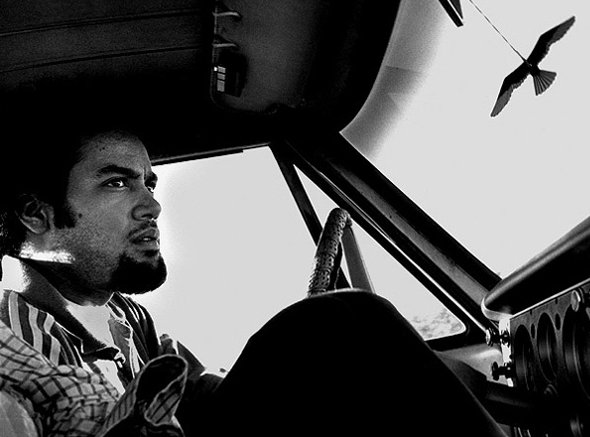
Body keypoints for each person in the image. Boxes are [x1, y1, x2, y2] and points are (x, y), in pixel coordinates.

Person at [0, 92, 507, 436]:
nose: (151, 205)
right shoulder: (17, 344)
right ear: (35, 214)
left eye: (149, 183)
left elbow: (204, 396)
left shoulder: (127, 318)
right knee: (348, 319)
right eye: (117, 183)